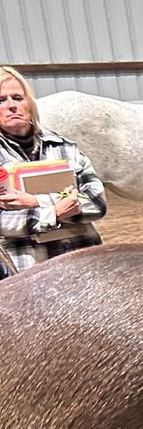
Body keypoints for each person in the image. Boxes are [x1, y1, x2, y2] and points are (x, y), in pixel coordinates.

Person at [0, 66, 106, 276]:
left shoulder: (65, 148)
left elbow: (97, 202)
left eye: (18, 97)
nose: (12, 106)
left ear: (29, 103)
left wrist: (37, 202)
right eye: (1, 100)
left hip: (82, 261)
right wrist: (54, 213)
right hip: (25, 271)